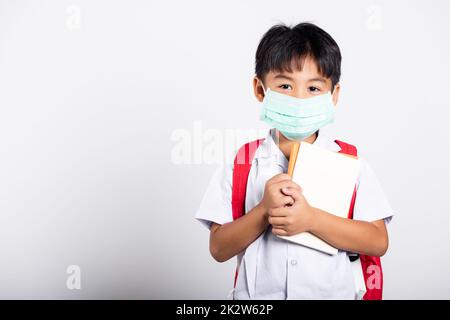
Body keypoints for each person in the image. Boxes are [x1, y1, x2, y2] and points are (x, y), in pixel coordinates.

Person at [195, 22, 394, 299]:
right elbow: (218, 248)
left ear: (333, 95)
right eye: (285, 85)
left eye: (314, 88)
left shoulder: (350, 162)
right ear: (260, 89)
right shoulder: (241, 162)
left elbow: (377, 240)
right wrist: (263, 210)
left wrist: (311, 219)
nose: (299, 98)